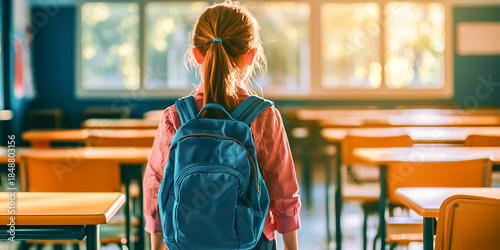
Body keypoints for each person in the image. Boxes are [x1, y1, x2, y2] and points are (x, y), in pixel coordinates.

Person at [143, 1, 301, 249]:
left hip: (187, 241)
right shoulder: (265, 116)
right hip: (252, 241)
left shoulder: (174, 117)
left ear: (196, 54)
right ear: (251, 56)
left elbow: (155, 189)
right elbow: (283, 195)